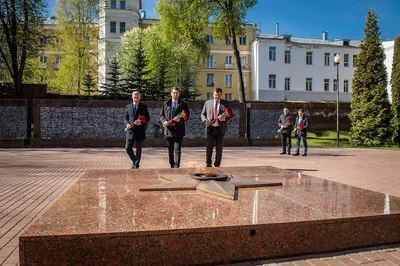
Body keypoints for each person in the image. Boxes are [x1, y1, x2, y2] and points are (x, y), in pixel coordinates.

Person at [201, 87, 233, 167]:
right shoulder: (207, 103)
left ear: (221, 95)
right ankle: (208, 164)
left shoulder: (225, 103)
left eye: (218, 95)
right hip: (210, 129)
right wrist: (205, 121)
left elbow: (231, 114)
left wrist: (224, 118)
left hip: (220, 129)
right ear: (213, 94)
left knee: (219, 149)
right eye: (215, 95)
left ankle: (217, 164)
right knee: (209, 148)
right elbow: (202, 114)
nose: (217, 97)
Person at [160, 87, 190, 168]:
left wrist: (180, 119)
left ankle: (177, 166)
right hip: (169, 130)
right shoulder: (166, 104)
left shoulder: (183, 104)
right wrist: (164, 121)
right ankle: (171, 164)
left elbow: (187, 116)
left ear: (179, 94)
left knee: (177, 149)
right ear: (171, 93)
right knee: (170, 149)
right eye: (174, 93)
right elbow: (161, 115)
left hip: (179, 130)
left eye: (177, 93)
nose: (175, 94)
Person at [124, 91, 150, 169]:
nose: (136, 98)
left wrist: (141, 122)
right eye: (135, 97)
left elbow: (147, 118)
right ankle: (135, 161)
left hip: (140, 131)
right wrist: (127, 124)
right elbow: (125, 118)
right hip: (130, 131)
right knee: (127, 148)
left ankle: (136, 164)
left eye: (137, 97)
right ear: (132, 97)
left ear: (140, 97)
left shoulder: (143, 106)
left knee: (139, 149)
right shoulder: (128, 106)